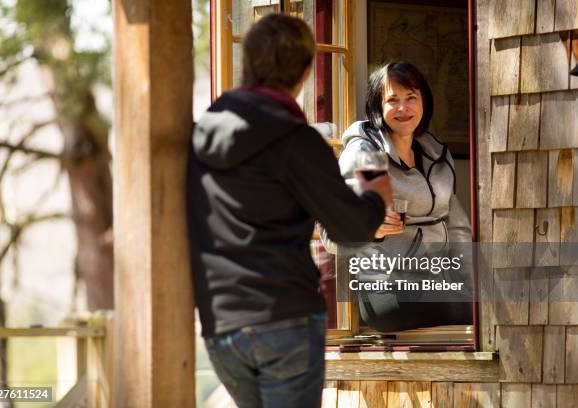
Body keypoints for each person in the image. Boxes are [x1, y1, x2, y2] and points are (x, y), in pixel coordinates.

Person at [187, 14, 392, 408]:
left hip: (221, 327)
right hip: (285, 319)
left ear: (247, 65)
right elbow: (350, 227)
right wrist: (375, 195)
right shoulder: (296, 140)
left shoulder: (198, 136)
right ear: (302, 72)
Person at [320, 61, 473, 332]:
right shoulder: (369, 156)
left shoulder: (435, 154)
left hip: (435, 282)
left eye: (411, 98)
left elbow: (458, 227)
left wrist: (471, 285)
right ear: (378, 107)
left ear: (423, 101)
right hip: (386, 289)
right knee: (468, 308)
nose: (403, 108)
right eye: (393, 100)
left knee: (485, 305)